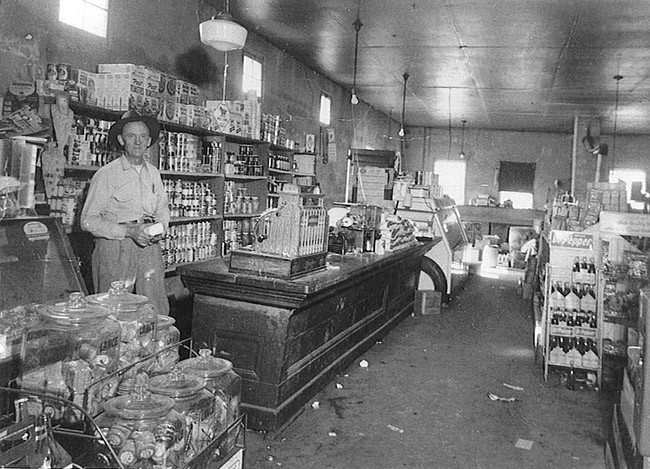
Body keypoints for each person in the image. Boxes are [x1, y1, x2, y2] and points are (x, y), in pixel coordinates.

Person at [80, 111, 170, 315]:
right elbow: (88, 221)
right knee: (113, 313)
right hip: (116, 248)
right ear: (121, 140)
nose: (138, 142)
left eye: (143, 136)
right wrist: (129, 232)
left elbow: (163, 209)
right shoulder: (106, 175)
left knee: (155, 310)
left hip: (150, 248)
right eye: (131, 136)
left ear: (149, 141)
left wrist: (160, 228)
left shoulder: (154, 173)